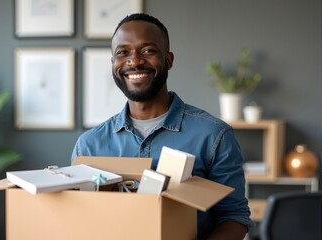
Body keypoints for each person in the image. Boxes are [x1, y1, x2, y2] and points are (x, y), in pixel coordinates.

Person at [71, 13, 253, 240]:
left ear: (169, 59)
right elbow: (78, 217)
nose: (134, 61)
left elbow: (234, 216)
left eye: (148, 50)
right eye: (123, 52)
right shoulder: (89, 145)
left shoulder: (214, 135)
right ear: (113, 63)